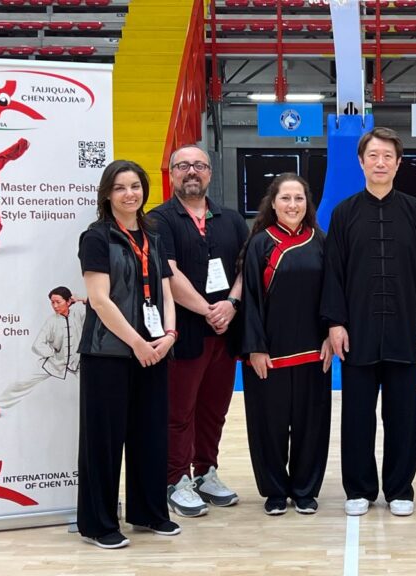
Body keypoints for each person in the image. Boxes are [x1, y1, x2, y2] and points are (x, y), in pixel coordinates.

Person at [320, 127, 416, 517]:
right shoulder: (343, 214)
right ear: (360, 162)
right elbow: (333, 274)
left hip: (407, 328)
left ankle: (400, 488)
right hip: (357, 331)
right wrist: (335, 323)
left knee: (403, 415)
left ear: (398, 163)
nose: (380, 162)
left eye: (387, 156)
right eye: (372, 155)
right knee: (357, 414)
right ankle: (358, 488)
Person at [76, 160, 179, 549]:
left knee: (150, 435)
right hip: (109, 353)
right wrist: (136, 343)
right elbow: (100, 300)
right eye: (120, 188)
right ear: (107, 194)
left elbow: (166, 290)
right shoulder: (97, 237)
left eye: (135, 186)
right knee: (103, 441)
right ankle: (100, 524)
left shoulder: (154, 232)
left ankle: (150, 512)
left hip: (155, 349)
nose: (129, 194)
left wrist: (169, 334)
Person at [146, 145, 249, 518]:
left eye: (199, 165)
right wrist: (207, 309)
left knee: (214, 410)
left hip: (224, 331)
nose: (192, 171)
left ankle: (206, 472)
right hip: (184, 331)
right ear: (172, 173)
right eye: (183, 166)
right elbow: (167, 273)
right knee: (180, 411)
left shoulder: (232, 219)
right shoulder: (159, 219)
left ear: (209, 173)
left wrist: (231, 305)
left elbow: (244, 268)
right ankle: (176, 478)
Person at [240, 173, 333, 516]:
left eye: (299, 198)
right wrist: (255, 348)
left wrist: (330, 334)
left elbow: (333, 295)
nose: (292, 205)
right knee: (270, 425)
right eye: (285, 198)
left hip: (313, 352)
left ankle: (305, 490)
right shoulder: (260, 243)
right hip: (269, 353)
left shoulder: (321, 242)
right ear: (273, 203)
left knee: (311, 425)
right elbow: (249, 298)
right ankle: (276, 491)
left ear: (307, 204)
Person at [0, 286, 85, 420]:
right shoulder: (51, 321)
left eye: (58, 302)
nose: (55, 306)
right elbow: (37, 345)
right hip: (54, 363)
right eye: (52, 302)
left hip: (76, 362)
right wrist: (53, 353)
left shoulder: (79, 314)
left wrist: (80, 298)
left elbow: (96, 307)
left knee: (93, 386)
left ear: (68, 302)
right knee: (24, 381)